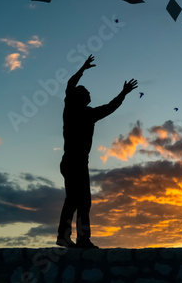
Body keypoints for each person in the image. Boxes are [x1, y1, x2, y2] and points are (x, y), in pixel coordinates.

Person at [56, 54, 138, 248]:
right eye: (86, 92)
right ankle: (65, 237)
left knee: (82, 202)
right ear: (81, 97)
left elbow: (110, 107)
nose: (90, 94)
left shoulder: (85, 113)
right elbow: (71, 84)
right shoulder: (74, 111)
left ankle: (81, 239)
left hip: (76, 163)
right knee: (75, 200)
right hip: (73, 162)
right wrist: (83, 69)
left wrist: (123, 93)